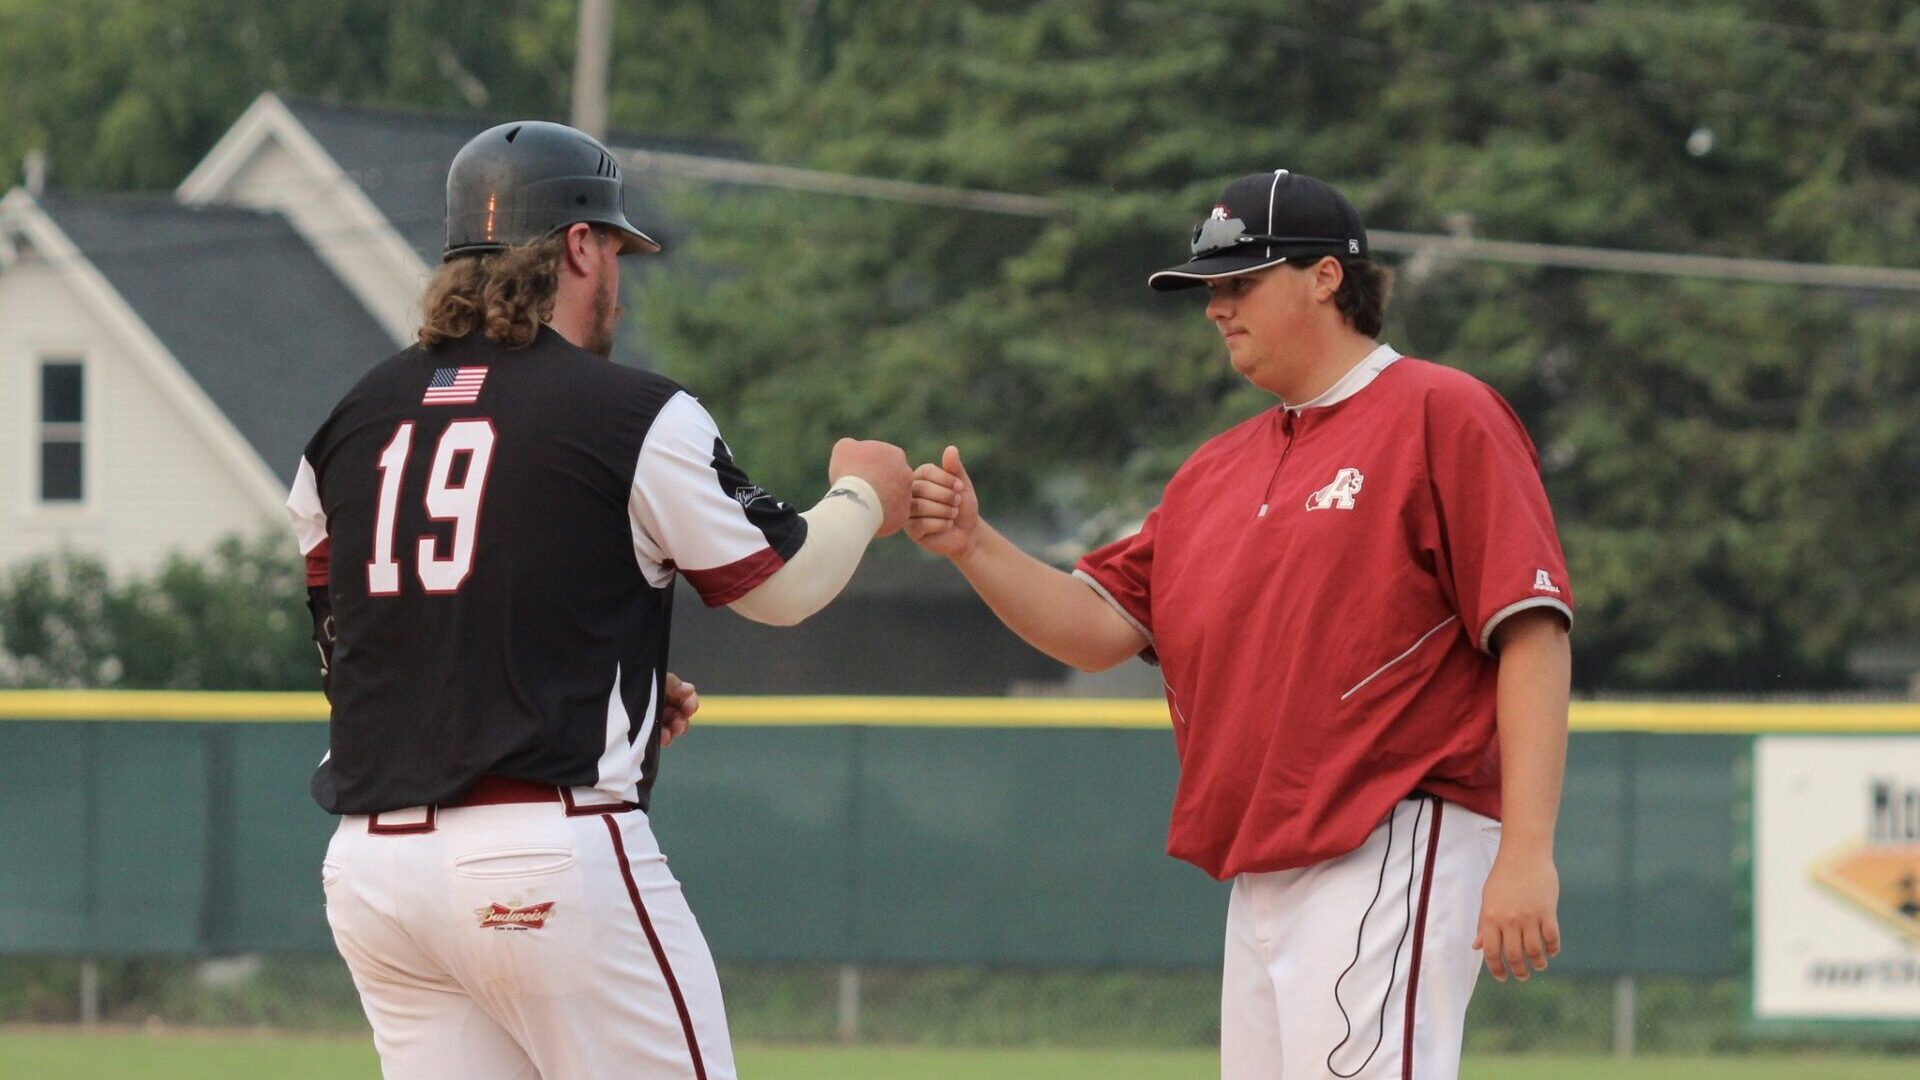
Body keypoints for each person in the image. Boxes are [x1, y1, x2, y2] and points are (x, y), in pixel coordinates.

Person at [907, 170, 1573, 1080]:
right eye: (1208, 289)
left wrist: (1527, 852)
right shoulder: (1214, 473)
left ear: (1327, 278)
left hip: (1393, 835)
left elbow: (1531, 630)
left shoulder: (1438, 412)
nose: (1217, 307)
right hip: (1261, 870)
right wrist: (973, 543)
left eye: (1240, 281)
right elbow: (1099, 629)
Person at [285, 120, 913, 1080]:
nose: (618, 269)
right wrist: (864, 496)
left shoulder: (349, 419)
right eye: (615, 246)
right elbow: (781, 587)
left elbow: (365, 630)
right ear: (579, 245)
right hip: (540, 857)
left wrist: (579, 679)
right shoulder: (632, 414)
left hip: (378, 878)